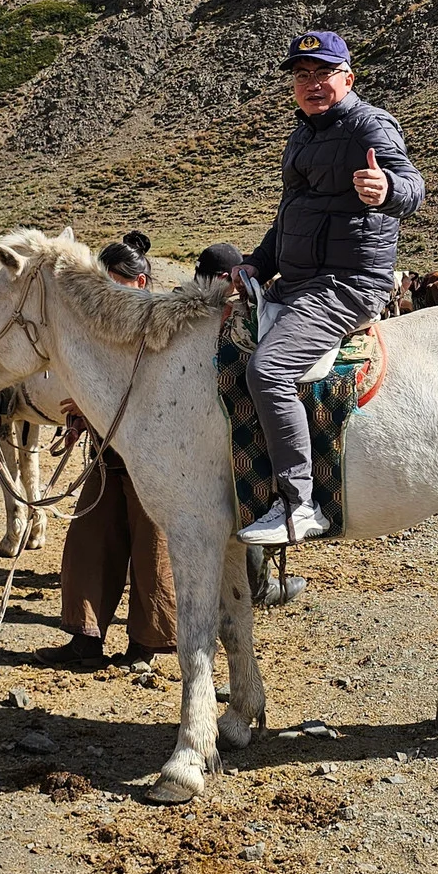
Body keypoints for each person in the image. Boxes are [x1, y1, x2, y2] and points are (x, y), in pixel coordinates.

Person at [232, 31, 424, 545]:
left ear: (347, 78)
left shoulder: (370, 124)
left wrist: (386, 192)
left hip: (347, 284)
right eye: (301, 75)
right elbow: (290, 217)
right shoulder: (304, 134)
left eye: (322, 73)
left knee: (268, 370)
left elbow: (411, 186)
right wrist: (258, 263)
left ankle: (300, 502)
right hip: (296, 281)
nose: (311, 84)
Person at [48, 232, 179, 671]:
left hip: (151, 457)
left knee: (151, 547)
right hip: (106, 454)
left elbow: (161, 393)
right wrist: (83, 411)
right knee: (89, 541)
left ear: (140, 283)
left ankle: (146, 644)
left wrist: (94, 406)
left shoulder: (161, 326)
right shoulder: (99, 329)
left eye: (116, 281)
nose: (108, 290)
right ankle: (84, 639)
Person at [194, 241, 306, 608]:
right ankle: (260, 586)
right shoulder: (233, 320)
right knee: (250, 486)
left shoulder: (185, 311)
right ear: (229, 279)